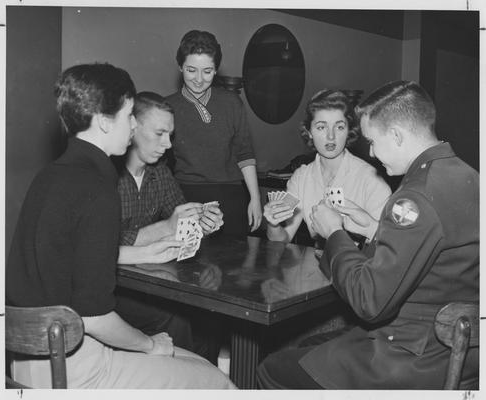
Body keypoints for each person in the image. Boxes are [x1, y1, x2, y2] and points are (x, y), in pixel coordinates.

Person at [6, 63, 235, 389]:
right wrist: (150, 345)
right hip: (74, 368)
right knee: (217, 381)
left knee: (191, 360)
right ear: (102, 120)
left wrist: (151, 253)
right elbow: (95, 317)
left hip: (23, 362)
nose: (132, 126)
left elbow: (69, 259)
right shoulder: (98, 187)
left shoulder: (50, 176)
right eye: (129, 115)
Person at [257, 81, 479, 389]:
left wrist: (334, 232)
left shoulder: (415, 197)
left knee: (274, 368)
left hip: (411, 358)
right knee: (311, 347)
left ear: (397, 136)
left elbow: (370, 303)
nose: (372, 153)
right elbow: (437, 247)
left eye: (373, 141)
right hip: (460, 353)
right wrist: (373, 227)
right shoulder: (469, 176)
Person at [115, 91, 224, 362]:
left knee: (209, 312)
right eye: (159, 133)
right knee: (177, 316)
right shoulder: (106, 175)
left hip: (151, 282)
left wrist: (202, 222)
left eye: (170, 136)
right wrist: (167, 226)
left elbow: (181, 217)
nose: (167, 144)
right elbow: (106, 243)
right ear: (132, 128)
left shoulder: (159, 171)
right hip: (111, 289)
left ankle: (204, 380)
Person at [166, 30, 262, 237]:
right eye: (191, 70)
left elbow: (244, 154)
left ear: (216, 70)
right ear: (180, 67)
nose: (199, 79)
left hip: (231, 196)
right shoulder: (167, 107)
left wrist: (255, 199)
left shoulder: (232, 103)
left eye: (207, 71)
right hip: (184, 197)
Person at [263, 89, 391, 244]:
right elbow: (283, 239)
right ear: (309, 132)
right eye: (321, 127)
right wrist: (273, 224)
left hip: (359, 264)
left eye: (339, 127)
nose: (331, 137)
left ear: (349, 130)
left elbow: (387, 246)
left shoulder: (372, 180)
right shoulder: (300, 178)